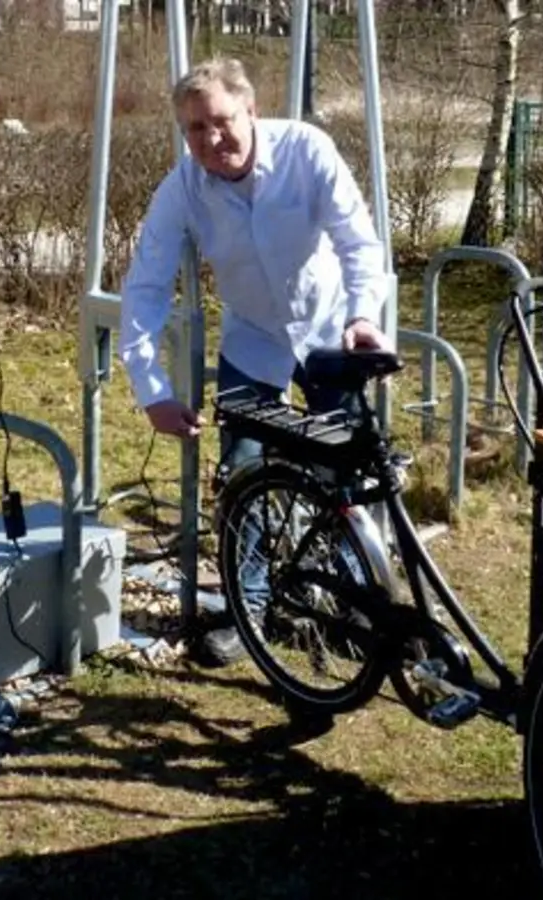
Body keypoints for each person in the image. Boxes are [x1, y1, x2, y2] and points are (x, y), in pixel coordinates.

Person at [117, 57, 392, 666]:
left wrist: (364, 315)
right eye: (195, 129)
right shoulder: (183, 187)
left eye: (221, 122)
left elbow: (358, 240)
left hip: (330, 332)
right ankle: (251, 610)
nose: (212, 141)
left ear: (252, 111)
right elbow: (146, 286)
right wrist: (151, 388)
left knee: (343, 470)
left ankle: (352, 603)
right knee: (242, 474)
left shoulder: (306, 152)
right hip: (253, 340)